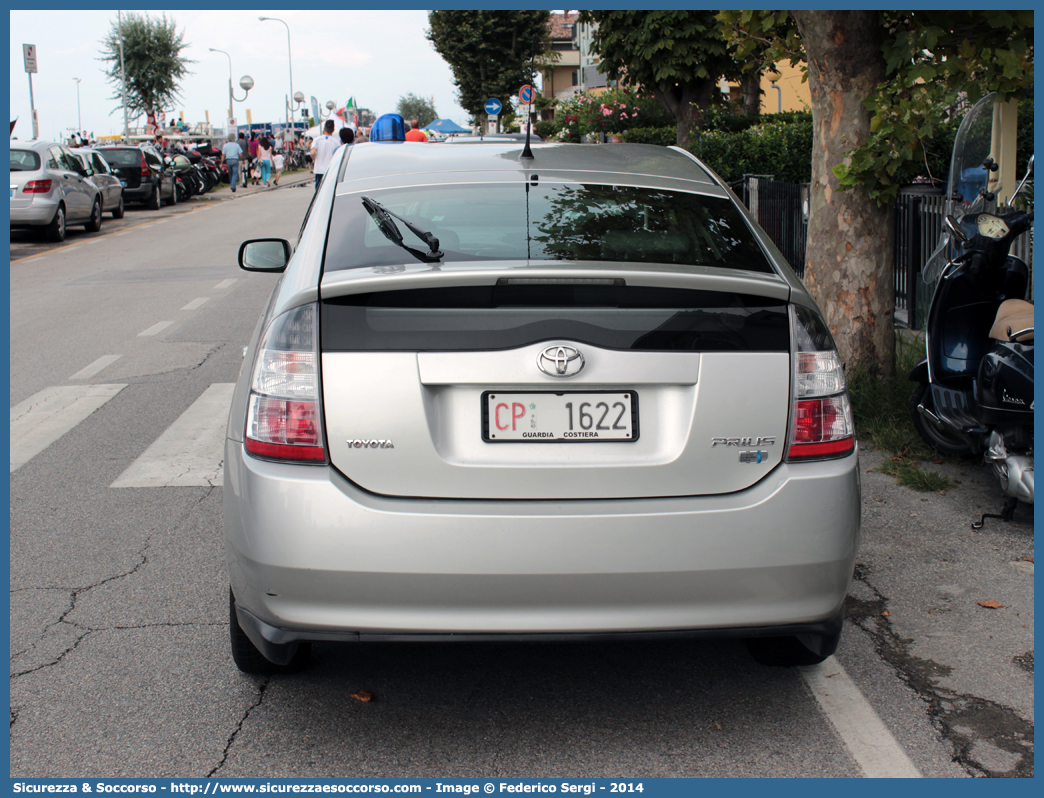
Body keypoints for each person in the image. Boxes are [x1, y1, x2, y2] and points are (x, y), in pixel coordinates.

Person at [310, 119, 339, 191]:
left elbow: (312, 152)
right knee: (329, 190)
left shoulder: (317, 139)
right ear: (333, 130)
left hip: (319, 170)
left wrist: (314, 158)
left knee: (319, 191)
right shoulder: (336, 142)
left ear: (324, 129)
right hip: (331, 170)